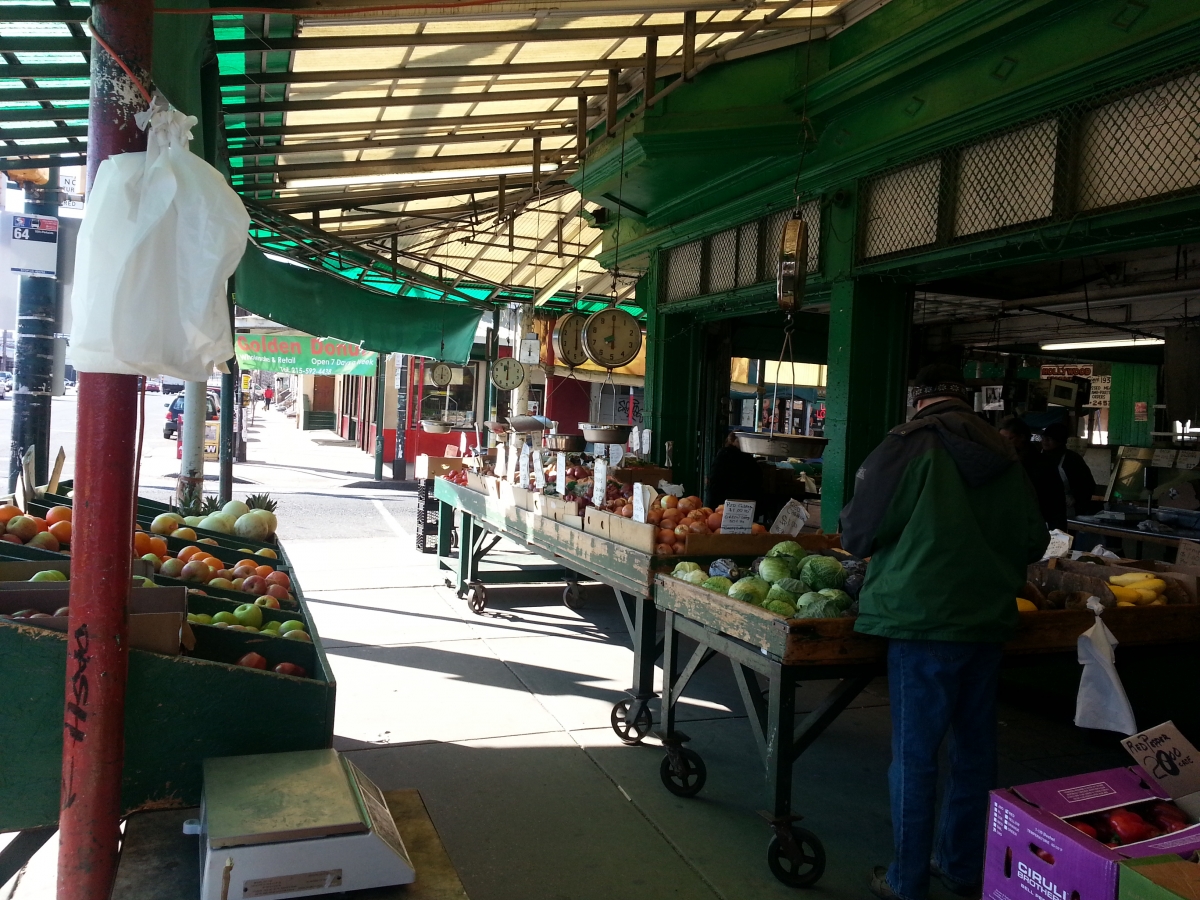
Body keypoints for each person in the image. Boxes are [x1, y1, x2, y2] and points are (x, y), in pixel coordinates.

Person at [839, 364, 1049, 900]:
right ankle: (960, 866)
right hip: (987, 621)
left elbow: (859, 532)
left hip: (921, 620)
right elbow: (1033, 539)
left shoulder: (907, 444)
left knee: (915, 754)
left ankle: (907, 880)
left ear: (918, 401)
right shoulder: (1007, 454)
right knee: (975, 751)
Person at [999, 417, 1064, 528]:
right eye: (1001, 439)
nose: (1004, 443)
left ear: (1022, 437)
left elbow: (1054, 503)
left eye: (1009, 439)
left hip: (1038, 522)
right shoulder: (1001, 461)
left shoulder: (1042, 464)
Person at [1040, 422, 1098, 521]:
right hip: (1040, 507)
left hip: (1067, 511)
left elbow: (1088, 485)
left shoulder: (1072, 459)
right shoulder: (1037, 457)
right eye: (1044, 438)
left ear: (1060, 441)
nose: (1045, 441)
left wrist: (1074, 497)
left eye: (1050, 439)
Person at [705, 430, 762, 510]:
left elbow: (714, 480)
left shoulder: (723, 455)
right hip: (744, 505)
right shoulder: (748, 459)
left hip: (722, 503)